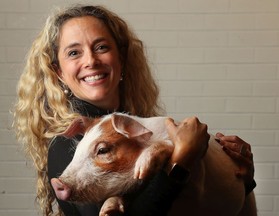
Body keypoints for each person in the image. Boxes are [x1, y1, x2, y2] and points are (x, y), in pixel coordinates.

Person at [13, 4, 256, 216]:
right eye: (74, 52)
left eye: (101, 47)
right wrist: (182, 159)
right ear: (59, 73)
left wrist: (236, 174)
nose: (91, 61)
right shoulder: (70, 141)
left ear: (121, 58)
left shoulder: (137, 126)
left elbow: (193, 203)